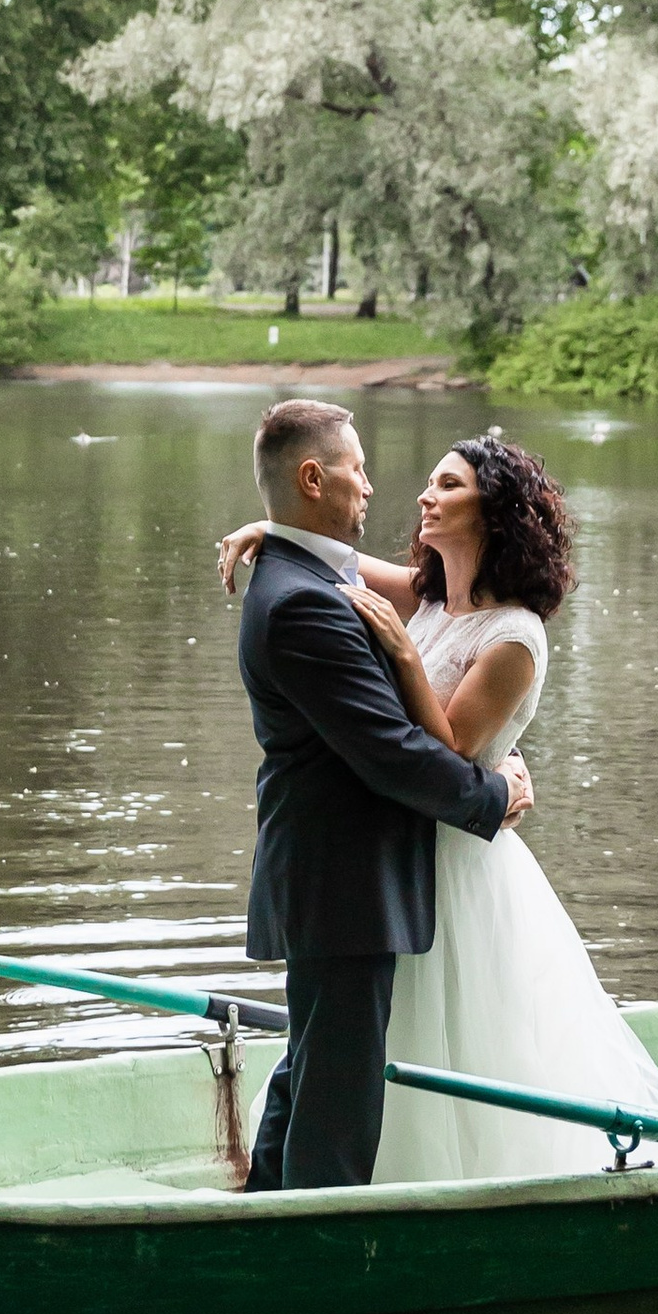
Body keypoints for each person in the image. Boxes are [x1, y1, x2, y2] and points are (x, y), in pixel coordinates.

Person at [220, 424, 658, 1185]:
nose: (418, 494)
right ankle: (290, 1210)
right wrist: (269, 529)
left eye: (449, 484)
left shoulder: (512, 634)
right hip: (392, 856)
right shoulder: (422, 592)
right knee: (333, 1059)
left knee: (387, 1049)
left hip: (452, 858)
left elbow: (451, 752)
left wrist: (407, 659)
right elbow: (333, 560)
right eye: (424, 481)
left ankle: (349, 1203)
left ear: (493, 512)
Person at [227, 397, 532, 1191]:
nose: (375, 488)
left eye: (444, 484)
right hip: (345, 877)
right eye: (358, 470)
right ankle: (312, 1258)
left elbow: (337, 563)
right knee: (338, 1096)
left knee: (315, 1065)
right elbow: (396, 755)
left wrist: (270, 529)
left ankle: (264, 1207)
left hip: (344, 875)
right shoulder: (301, 602)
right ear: (313, 477)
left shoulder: (305, 576)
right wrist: (493, 799)